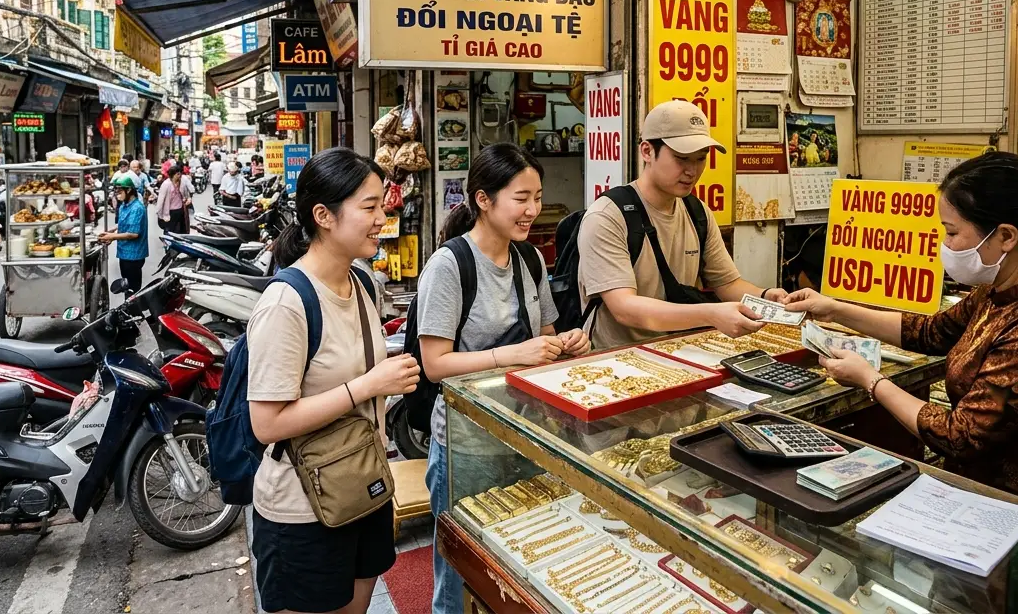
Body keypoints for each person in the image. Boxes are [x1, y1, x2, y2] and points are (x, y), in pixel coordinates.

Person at [782, 151, 1018, 514]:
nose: (945, 245)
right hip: (975, 495)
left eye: (952, 232)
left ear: (1006, 236)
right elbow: (930, 332)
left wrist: (870, 380)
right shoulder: (998, 290)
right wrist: (835, 308)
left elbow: (960, 436)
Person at [414, 144, 591, 613]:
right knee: (459, 569)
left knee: (520, 560)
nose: (533, 209)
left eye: (538, 196)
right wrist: (513, 354)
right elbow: (435, 363)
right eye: (520, 198)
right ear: (484, 200)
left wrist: (566, 343)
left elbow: (544, 334)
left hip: (526, 435)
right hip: (465, 445)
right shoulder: (450, 265)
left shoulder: (530, 259)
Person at [247, 147, 420, 614]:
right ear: (323, 215)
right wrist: (368, 385)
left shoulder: (360, 284)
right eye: (369, 207)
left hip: (361, 489)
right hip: (302, 512)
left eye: (381, 204)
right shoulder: (287, 303)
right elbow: (267, 423)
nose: (382, 217)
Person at [577, 101, 784, 350]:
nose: (692, 171)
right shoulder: (608, 216)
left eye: (700, 159)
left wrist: (765, 297)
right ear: (647, 151)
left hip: (683, 350)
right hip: (616, 359)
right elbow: (624, 308)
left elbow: (728, 284)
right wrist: (710, 314)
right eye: (681, 158)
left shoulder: (697, 212)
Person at [100, 173, 149, 293]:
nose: (117, 194)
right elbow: (124, 224)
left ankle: (134, 311)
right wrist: (111, 232)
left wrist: (112, 236)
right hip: (123, 253)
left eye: (120, 191)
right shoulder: (124, 206)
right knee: (125, 286)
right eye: (116, 191)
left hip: (134, 255)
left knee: (132, 289)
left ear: (129, 190)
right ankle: (128, 309)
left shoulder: (137, 208)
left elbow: (133, 234)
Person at [157, 164, 194, 234]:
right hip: (170, 211)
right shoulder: (166, 184)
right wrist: (160, 215)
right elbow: (160, 201)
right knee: (169, 231)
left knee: (180, 231)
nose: (180, 176)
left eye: (180, 174)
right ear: (173, 175)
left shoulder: (182, 183)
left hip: (180, 210)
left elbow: (186, 195)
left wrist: (188, 199)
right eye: (178, 174)